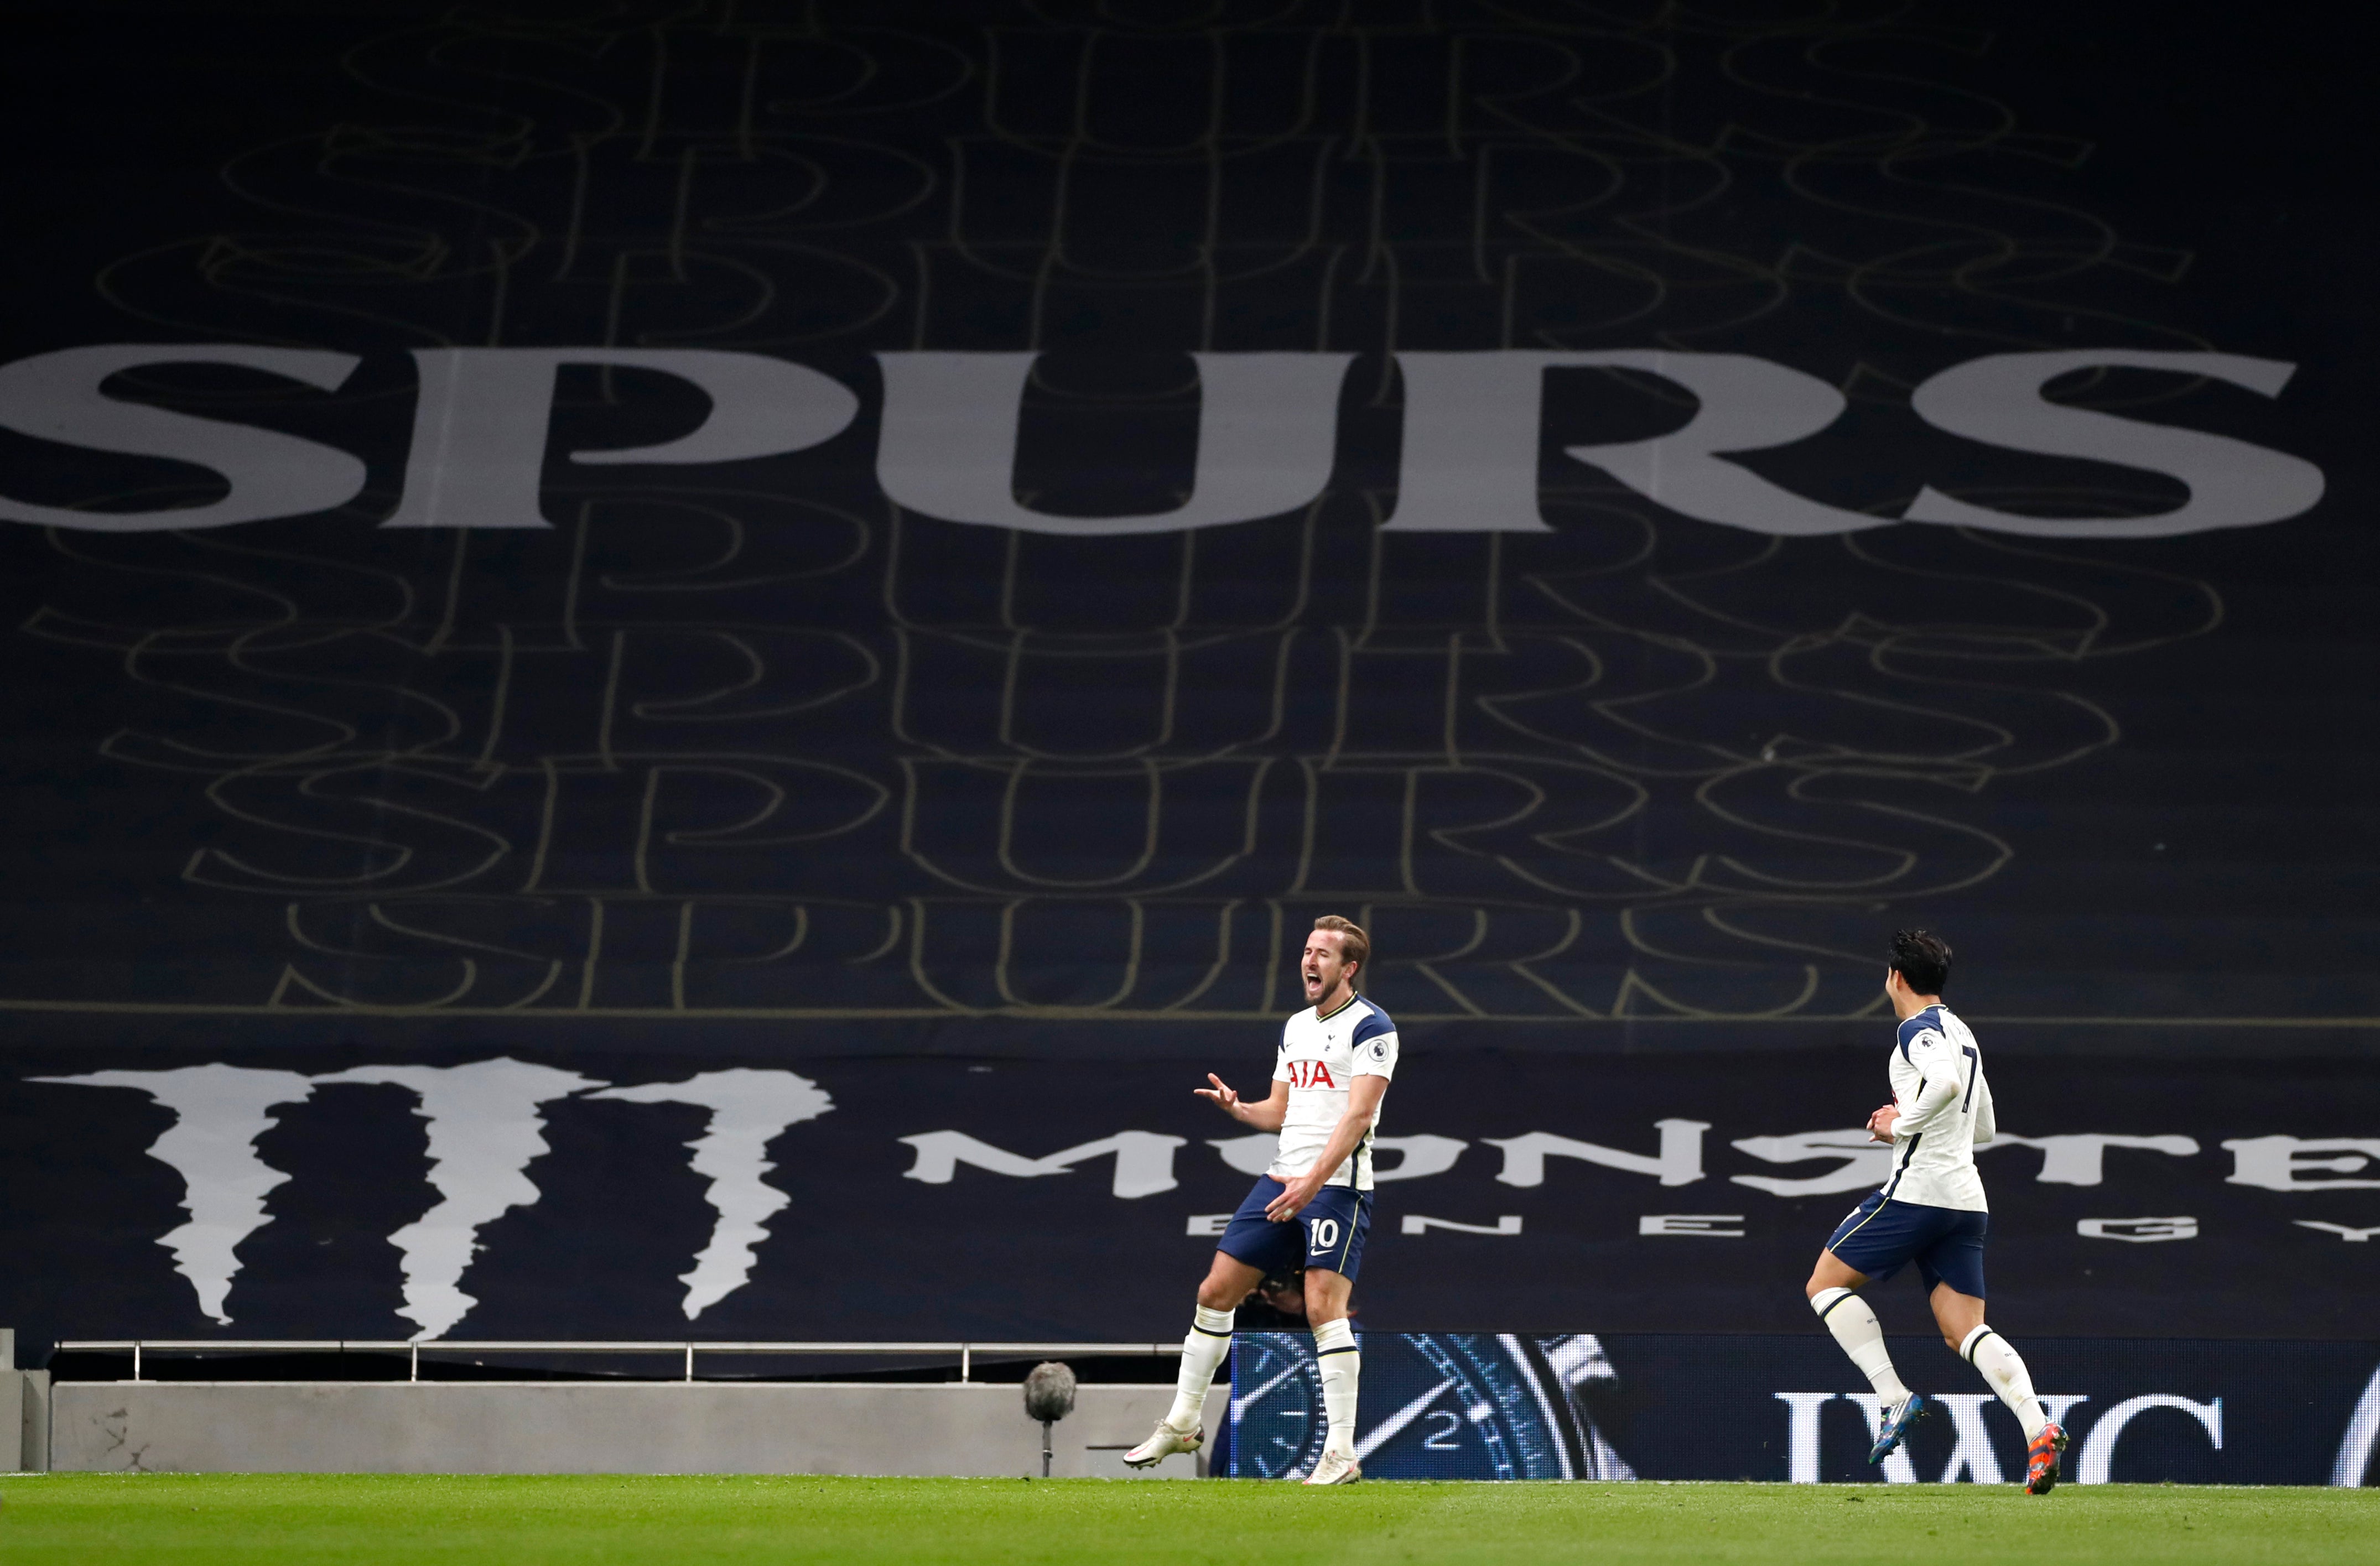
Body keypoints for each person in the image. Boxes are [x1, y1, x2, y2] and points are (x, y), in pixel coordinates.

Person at [1125, 914, 1398, 1484]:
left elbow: (1359, 1116)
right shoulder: (1295, 1026)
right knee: (1214, 1290)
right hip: (1281, 1178)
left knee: (1325, 1306)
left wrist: (1315, 1181)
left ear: (1348, 968)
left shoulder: (1373, 1027)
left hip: (1337, 1187)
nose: (1309, 961)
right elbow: (1280, 1111)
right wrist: (1238, 1108)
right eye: (1306, 950)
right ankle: (1181, 1421)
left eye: (1323, 954)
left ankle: (1342, 1452)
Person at [1805, 930, 2069, 1495]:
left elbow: (1945, 1085)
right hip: (1966, 1199)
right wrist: (1916, 1118)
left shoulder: (1916, 1029)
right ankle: (2037, 1426)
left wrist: (1899, 1124)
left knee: (1824, 1284)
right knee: (1964, 1330)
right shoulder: (1963, 1032)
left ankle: (1894, 1397)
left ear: (1896, 978)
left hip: (1919, 1191)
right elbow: (1986, 1127)